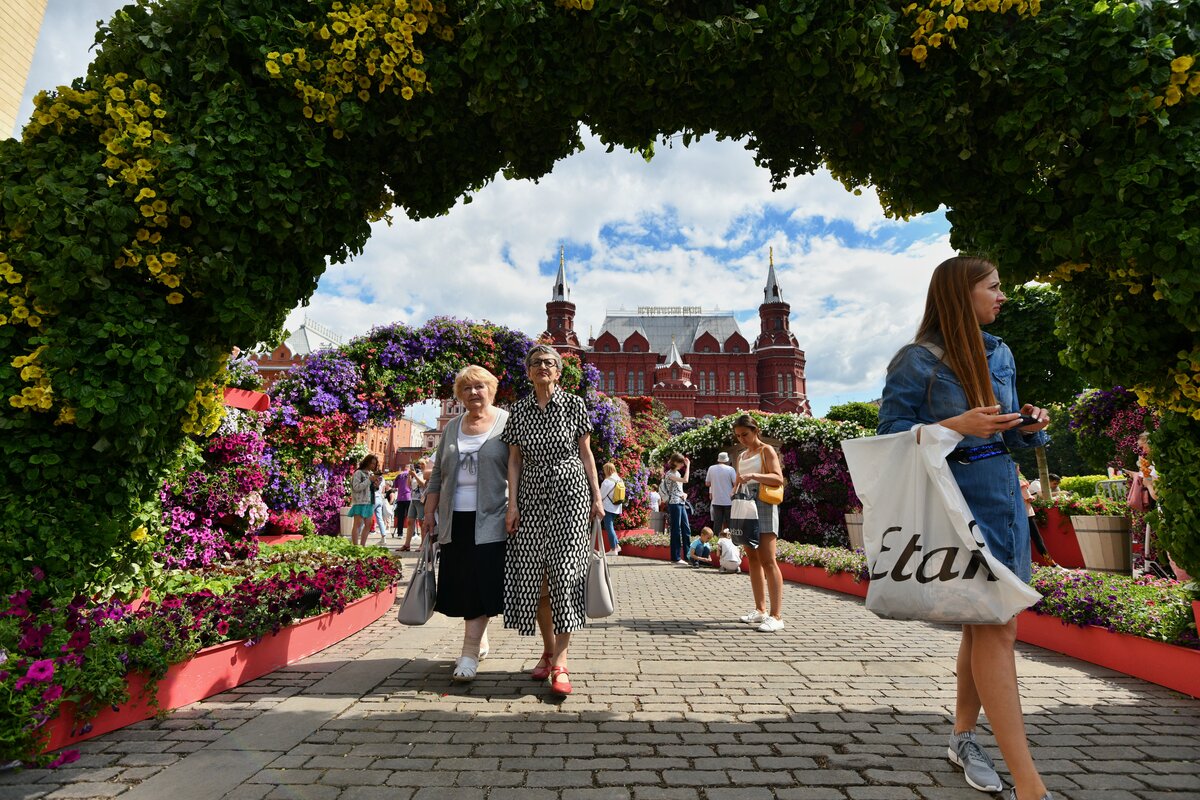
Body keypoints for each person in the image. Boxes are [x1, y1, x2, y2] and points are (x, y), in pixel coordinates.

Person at [878, 255, 1052, 800]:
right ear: (961, 294)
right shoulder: (916, 360)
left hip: (1003, 497)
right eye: (994, 287)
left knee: (988, 624)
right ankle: (1030, 785)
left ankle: (961, 738)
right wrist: (954, 425)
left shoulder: (1000, 352)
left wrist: (1028, 426)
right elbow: (889, 438)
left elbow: (1007, 436)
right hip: (957, 503)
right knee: (996, 629)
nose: (1003, 296)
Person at [504, 345, 603, 696]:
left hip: (571, 496)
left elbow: (586, 454)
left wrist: (596, 496)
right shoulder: (518, 411)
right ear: (528, 372)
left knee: (565, 575)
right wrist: (512, 504)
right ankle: (547, 650)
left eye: (549, 363)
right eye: (536, 363)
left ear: (559, 372)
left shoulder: (575, 405)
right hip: (530, 497)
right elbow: (514, 460)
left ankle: (561, 660)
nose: (543, 367)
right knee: (538, 578)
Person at [424, 365, 510, 682]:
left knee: (478, 583)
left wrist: (516, 507)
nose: (474, 392)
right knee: (462, 584)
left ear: (492, 389)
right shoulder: (453, 427)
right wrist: (428, 516)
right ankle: (480, 639)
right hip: (453, 518)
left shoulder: (506, 422)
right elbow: (437, 476)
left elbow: (518, 469)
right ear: (459, 394)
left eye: (480, 386)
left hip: (492, 517)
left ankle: (468, 653)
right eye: (467, 388)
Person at [731, 414, 787, 632]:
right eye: (738, 436)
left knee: (768, 559)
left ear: (755, 430)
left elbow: (778, 478)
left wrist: (754, 475)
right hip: (745, 503)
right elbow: (737, 481)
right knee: (752, 557)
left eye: (745, 434)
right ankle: (760, 609)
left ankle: (776, 615)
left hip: (763, 501)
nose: (742, 439)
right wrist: (733, 495)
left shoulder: (767, 450)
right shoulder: (742, 455)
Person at [1017, 469, 1056, 567]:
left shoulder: (1008, 483)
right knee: (1037, 539)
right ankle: (1051, 563)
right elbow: (1028, 497)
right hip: (1027, 514)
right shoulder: (1021, 483)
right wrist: (1032, 498)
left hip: (1016, 514)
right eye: (1018, 469)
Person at [663, 453, 691, 564]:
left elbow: (678, 488)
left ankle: (688, 555)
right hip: (674, 503)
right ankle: (676, 557)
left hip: (681, 502)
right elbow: (686, 480)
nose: (682, 465)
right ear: (675, 462)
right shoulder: (669, 474)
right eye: (680, 463)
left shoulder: (677, 473)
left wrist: (684, 494)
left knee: (686, 529)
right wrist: (688, 466)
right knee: (676, 529)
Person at [348, 454, 381, 547]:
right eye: (372, 463)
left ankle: (362, 545)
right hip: (360, 501)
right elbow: (356, 487)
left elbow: (370, 488)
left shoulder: (370, 474)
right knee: (357, 524)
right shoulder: (358, 473)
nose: (374, 466)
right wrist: (369, 480)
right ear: (367, 462)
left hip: (369, 501)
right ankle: (355, 546)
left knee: (368, 524)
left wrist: (376, 486)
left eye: (375, 464)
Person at [706, 452, 737, 536]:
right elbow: (736, 483)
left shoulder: (711, 468)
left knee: (717, 522)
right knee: (730, 521)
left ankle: (716, 541)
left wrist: (715, 482)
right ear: (727, 460)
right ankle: (732, 540)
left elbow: (707, 483)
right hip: (728, 500)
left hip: (716, 499)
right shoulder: (730, 469)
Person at [404, 458, 430, 547]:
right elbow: (409, 486)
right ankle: (407, 544)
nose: (420, 465)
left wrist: (415, 475)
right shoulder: (418, 473)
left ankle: (423, 544)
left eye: (422, 463)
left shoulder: (426, 474)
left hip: (422, 500)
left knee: (421, 523)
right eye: (419, 463)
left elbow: (423, 484)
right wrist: (409, 476)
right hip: (414, 499)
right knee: (410, 521)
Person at [599, 462, 623, 554]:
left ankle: (613, 549)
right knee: (611, 526)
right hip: (617, 506)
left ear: (607, 470)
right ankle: (617, 546)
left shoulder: (607, 481)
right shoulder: (619, 479)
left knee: (609, 527)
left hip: (608, 507)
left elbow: (601, 495)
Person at [393, 466, 412, 541]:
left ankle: (400, 533)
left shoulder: (399, 475)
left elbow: (395, 485)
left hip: (400, 497)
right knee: (411, 516)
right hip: (408, 497)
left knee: (400, 516)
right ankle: (412, 533)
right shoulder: (411, 474)